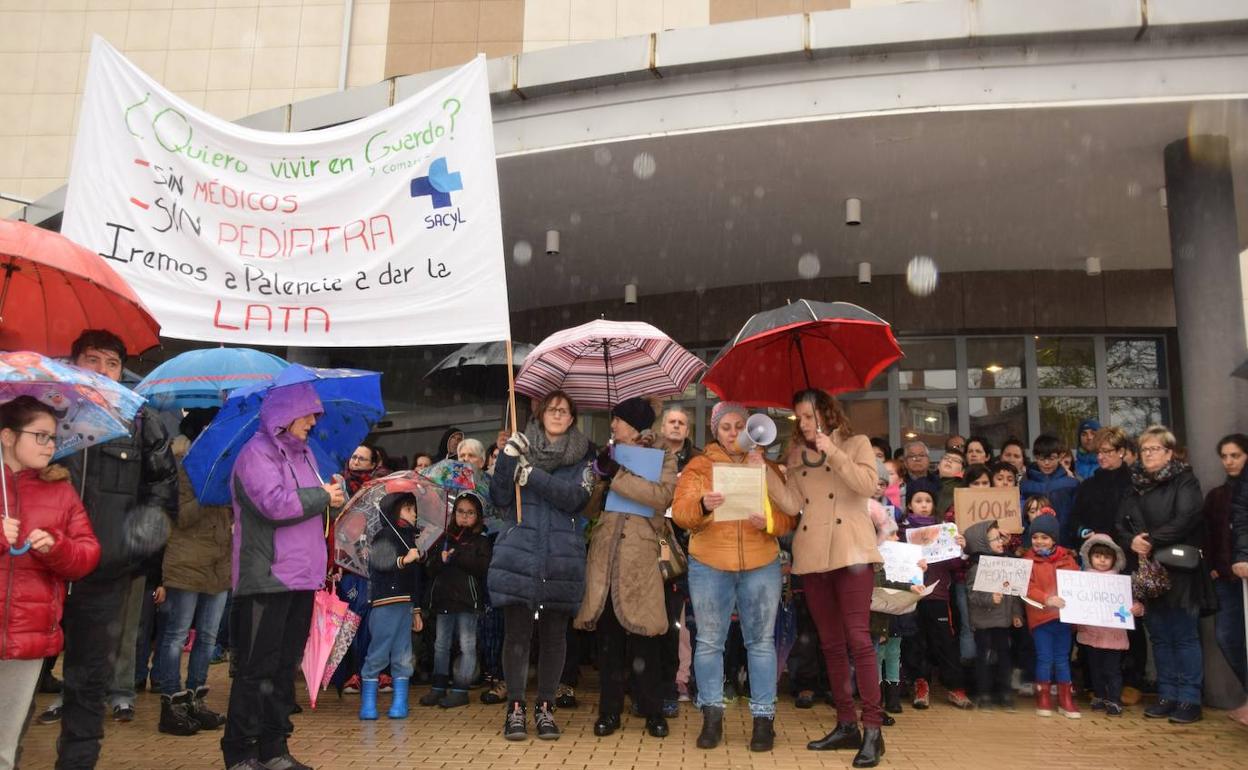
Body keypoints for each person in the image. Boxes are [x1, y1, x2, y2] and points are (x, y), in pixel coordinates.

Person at [51, 330, 177, 769]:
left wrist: (133, 556)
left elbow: (161, 492)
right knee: (24, 676)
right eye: (93, 359)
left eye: (112, 363)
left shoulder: (139, 419)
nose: (103, 370)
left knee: (88, 680)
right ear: (73, 362)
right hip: (39, 567)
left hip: (104, 571)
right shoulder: (46, 409)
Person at [221, 379, 346, 770]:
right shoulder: (255, 454)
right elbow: (274, 504)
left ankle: (274, 749)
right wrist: (322, 496)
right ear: (285, 414)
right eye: (307, 412)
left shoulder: (306, 455)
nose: (312, 420)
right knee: (255, 669)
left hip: (302, 577)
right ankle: (241, 751)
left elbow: (309, 508)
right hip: (267, 578)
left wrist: (333, 495)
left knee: (282, 669)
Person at [672, 401, 802, 754]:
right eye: (726, 427)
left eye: (739, 426)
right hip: (710, 562)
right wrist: (703, 506)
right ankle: (712, 716)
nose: (733, 432)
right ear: (715, 431)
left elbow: (789, 517)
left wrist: (770, 523)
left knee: (760, 643)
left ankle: (763, 720)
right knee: (710, 642)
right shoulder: (700, 466)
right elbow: (681, 513)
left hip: (761, 562)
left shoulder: (767, 465)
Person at [782, 388, 885, 766]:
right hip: (812, 556)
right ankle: (846, 724)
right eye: (799, 419)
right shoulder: (795, 455)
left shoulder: (857, 444)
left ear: (827, 414)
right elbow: (793, 505)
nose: (804, 424)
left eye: (809, 417)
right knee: (830, 644)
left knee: (858, 639)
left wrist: (833, 451)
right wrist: (768, 471)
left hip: (852, 551)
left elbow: (866, 486)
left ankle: (872, 727)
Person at [488, 390, 595, 741]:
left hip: (561, 556)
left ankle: (546, 706)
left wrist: (532, 475)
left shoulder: (583, 457)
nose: (558, 414)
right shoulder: (520, 448)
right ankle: (515, 708)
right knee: (516, 635)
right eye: (552, 408)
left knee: (554, 637)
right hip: (519, 553)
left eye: (564, 410)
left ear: (573, 418)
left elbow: (574, 498)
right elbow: (499, 497)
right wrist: (507, 459)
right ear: (539, 414)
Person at [0, 397, 100, 769]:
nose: (49, 446)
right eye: (39, 436)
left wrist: (56, 548)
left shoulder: (59, 490)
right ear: (8, 436)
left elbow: (87, 555)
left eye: (52, 438)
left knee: (4, 748)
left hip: (28, 638)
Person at [575, 397, 676, 739]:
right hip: (605, 555)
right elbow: (588, 509)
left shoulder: (664, 455)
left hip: (641, 555)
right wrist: (598, 476)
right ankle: (609, 711)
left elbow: (661, 497)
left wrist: (619, 476)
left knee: (646, 638)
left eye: (617, 420)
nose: (613, 426)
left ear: (633, 425)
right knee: (609, 641)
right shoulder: (609, 454)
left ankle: (653, 711)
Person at [1116, 425, 1215, 725]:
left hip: (1179, 571)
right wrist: (1130, 541)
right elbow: (1120, 522)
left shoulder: (1184, 481)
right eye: (1145, 449)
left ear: (1169, 452)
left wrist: (1150, 540)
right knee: (1159, 635)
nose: (1148, 454)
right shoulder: (1134, 485)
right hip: (1148, 570)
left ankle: (1189, 699)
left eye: (1155, 448)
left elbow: (1186, 517)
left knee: (1183, 636)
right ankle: (1167, 694)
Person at [156, 408, 231, 737]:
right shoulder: (181, 468)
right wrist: (207, 490)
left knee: (209, 638)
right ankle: (171, 703)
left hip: (218, 563)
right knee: (175, 636)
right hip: (186, 562)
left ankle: (196, 699)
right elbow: (182, 517)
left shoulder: (225, 470)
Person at [899, 489, 972, 712]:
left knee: (944, 641)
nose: (923, 504)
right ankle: (920, 684)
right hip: (910, 595)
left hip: (937, 595)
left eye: (928, 500)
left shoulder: (945, 531)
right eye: (918, 500)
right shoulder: (902, 533)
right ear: (909, 505)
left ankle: (955, 687)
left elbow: (954, 566)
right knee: (914, 641)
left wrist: (959, 549)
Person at [420, 491, 491, 709]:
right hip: (444, 600)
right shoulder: (443, 538)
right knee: (440, 645)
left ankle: (461, 688)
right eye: (460, 511)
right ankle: (439, 686)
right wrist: (440, 560)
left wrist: (457, 555)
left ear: (478, 516)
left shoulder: (482, 540)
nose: (465, 516)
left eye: (470, 513)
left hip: (468, 602)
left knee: (467, 645)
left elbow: (482, 567)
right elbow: (429, 568)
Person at [359, 492, 424, 721]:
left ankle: (400, 702)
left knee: (403, 654)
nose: (414, 513)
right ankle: (368, 702)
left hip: (405, 606)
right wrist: (403, 560)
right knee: (378, 651)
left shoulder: (411, 540)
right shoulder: (384, 535)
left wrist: (416, 609)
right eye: (408, 509)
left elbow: (416, 580)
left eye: (414, 509)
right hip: (385, 603)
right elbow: (379, 564)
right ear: (394, 512)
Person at [1077, 534, 1143, 716]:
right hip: (1091, 634)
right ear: (1089, 557)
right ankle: (1099, 696)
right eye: (1098, 556)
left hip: (1114, 636)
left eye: (1107, 557)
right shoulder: (1081, 580)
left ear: (1114, 559)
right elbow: (1077, 603)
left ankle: (1114, 699)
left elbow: (1134, 602)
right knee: (1095, 669)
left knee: (1112, 670)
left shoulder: (1121, 581)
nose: (1102, 560)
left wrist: (1137, 608)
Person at [1023, 513, 1080, 719]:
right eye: (1035, 537)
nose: (1039, 541)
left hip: (1063, 619)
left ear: (1054, 539)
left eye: (1044, 537)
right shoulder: (1027, 561)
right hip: (1040, 618)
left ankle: (1066, 699)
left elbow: (1077, 584)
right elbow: (1027, 587)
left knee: (1062, 659)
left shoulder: (1068, 559)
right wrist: (1046, 599)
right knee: (1045, 658)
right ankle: (1043, 697)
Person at [1204, 434, 1247, 688]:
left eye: (1236, 455)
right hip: (1227, 578)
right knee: (1227, 637)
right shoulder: (1217, 496)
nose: (1229, 461)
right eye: (1224, 456)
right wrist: (1212, 567)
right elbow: (1208, 534)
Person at [964, 520, 1022, 710]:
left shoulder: (1006, 563)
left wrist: (1016, 613)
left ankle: (1004, 691)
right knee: (984, 657)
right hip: (984, 622)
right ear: (981, 544)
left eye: (1000, 538)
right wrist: (990, 599)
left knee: (1004, 656)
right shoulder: (975, 568)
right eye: (995, 539)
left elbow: (1014, 593)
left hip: (1003, 622)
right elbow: (972, 595)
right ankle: (984, 692)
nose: (1000, 542)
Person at [1070, 427, 1134, 543]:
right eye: (1098, 452)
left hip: (1127, 551)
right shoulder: (1087, 485)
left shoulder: (1135, 483)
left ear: (1121, 452)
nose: (1100, 457)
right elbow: (1074, 519)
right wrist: (1084, 531)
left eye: (1106, 451)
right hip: (1096, 552)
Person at [1020, 435, 1079, 547]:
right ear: (1035, 457)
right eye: (1042, 459)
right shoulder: (1025, 485)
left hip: (1065, 544)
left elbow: (1077, 515)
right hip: (1033, 545)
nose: (1046, 463)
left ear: (1060, 457)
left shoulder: (1071, 484)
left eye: (1051, 458)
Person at [659, 405, 700, 471]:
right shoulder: (650, 454)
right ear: (662, 428)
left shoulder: (699, 459)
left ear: (687, 432)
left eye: (681, 423)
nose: (676, 426)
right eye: (672, 422)